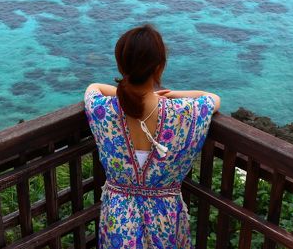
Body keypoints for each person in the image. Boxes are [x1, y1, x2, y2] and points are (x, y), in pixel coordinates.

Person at [83, 24, 220, 248]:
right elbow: (212, 98)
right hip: (165, 218)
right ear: (159, 67)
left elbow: (93, 87)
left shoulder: (103, 111)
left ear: (121, 66)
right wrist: (171, 95)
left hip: (119, 219)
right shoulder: (183, 113)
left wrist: (130, 93)